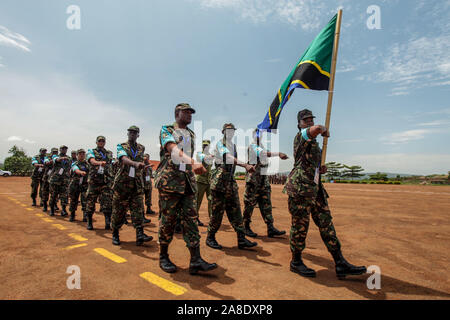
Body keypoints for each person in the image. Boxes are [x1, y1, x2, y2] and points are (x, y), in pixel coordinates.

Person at [284, 109, 366, 279]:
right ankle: (296, 262)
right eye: (305, 120)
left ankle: (340, 262)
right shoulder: (301, 136)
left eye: (311, 119)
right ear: (299, 124)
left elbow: (313, 162)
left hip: (315, 189)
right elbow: (314, 131)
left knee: (326, 224)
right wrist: (322, 128)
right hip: (301, 190)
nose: (309, 122)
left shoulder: (315, 144)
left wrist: (320, 169)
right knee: (300, 226)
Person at [154, 103, 217, 275]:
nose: (190, 115)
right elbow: (173, 151)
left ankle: (195, 260)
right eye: (186, 112)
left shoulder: (191, 134)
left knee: (191, 221)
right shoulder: (166, 130)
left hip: (187, 183)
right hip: (170, 182)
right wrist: (193, 162)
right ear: (177, 113)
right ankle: (163, 256)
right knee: (168, 221)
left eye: (191, 112)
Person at [206, 123, 257, 250]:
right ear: (223, 131)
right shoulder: (220, 144)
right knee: (217, 213)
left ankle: (241, 238)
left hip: (230, 183)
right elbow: (227, 157)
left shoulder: (233, 146)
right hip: (219, 183)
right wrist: (245, 165)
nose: (230, 132)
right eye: (228, 130)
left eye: (232, 130)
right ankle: (210, 237)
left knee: (236, 211)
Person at [111, 126, 153, 246]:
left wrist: (144, 168)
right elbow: (123, 159)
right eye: (130, 132)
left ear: (138, 135)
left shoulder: (141, 148)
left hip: (136, 184)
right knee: (119, 211)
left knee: (138, 210)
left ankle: (140, 234)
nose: (132, 134)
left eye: (135, 133)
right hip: (122, 184)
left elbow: (140, 162)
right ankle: (115, 234)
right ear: (128, 133)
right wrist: (135, 164)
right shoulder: (121, 146)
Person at [243, 129, 287, 238]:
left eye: (261, 134)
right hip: (253, 180)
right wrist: (278, 153)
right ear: (253, 135)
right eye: (257, 134)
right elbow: (264, 154)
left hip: (263, 180)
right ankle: (246, 227)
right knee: (250, 204)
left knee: (266, 203)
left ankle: (270, 227)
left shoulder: (261, 146)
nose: (259, 136)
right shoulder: (253, 146)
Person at [85, 136, 114, 230]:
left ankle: (107, 221)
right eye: (99, 141)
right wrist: (99, 163)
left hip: (106, 181)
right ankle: (89, 221)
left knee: (107, 202)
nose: (101, 142)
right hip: (94, 181)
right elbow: (91, 160)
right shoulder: (91, 151)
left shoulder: (109, 153)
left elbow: (112, 163)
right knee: (90, 202)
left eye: (103, 141)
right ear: (96, 142)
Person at [195, 140, 214, 227]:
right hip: (200, 181)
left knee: (211, 199)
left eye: (206, 145)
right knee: (198, 200)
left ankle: (212, 217)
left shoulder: (210, 155)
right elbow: (201, 158)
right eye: (204, 145)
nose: (205, 147)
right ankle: (195, 218)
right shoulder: (199, 154)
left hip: (209, 181)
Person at [49, 145, 71, 216]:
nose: (64, 150)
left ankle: (63, 210)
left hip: (65, 180)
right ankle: (52, 209)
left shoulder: (69, 158)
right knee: (54, 195)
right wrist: (62, 158)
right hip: (56, 179)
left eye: (65, 149)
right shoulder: (55, 156)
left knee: (64, 195)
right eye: (62, 149)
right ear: (60, 150)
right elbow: (56, 160)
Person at [68, 149, 89, 222]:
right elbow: (75, 169)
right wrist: (80, 172)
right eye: (80, 154)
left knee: (85, 200)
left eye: (83, 153)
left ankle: (85, 215)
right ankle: (72, 214)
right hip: (75, 184)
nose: (82, 155)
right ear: (77, 155)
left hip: (85, 185)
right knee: (74, 200)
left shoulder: (87, 164)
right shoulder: (74, 163)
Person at [41, 148, 58, 213]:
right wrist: (52, 161)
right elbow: (46, 162)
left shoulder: (58, 158)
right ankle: (45, 205)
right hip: (47, 177)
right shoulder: (47, 157)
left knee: (54, 193)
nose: (55, 153)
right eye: (54, 152)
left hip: (54, 178)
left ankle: (54, 205)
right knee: (45, 192)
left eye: (56, 152)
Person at [142, 153, 155, 223]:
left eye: (147, 157)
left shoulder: (149, 166)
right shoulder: (141, 164)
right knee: (140, 198)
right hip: (142, 184)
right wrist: (148, 166)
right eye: (145, 157)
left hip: (148, 184)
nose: (146, 158)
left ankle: (148, 209)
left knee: (148, 197)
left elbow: (150, 175)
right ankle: (141, 213)